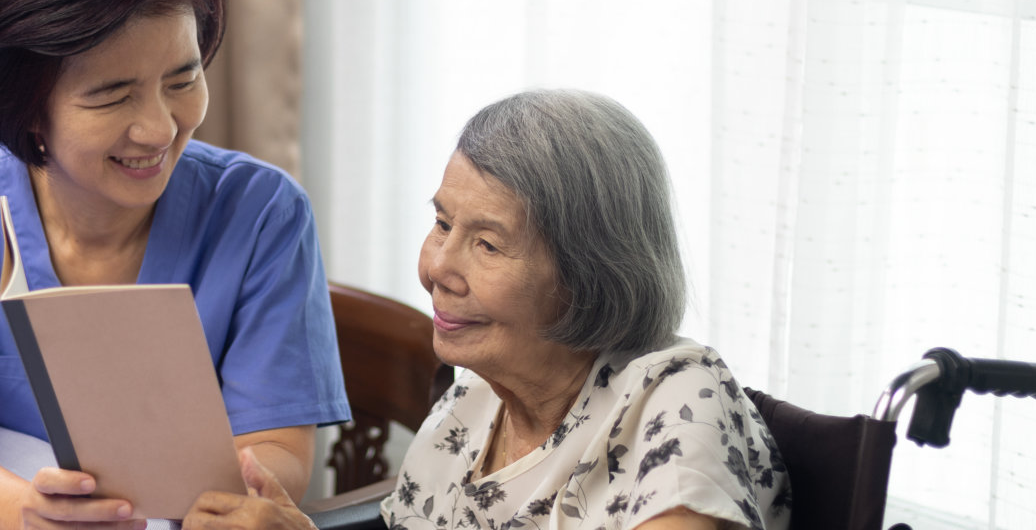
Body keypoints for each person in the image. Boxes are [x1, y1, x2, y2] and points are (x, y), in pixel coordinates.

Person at [0, 0, 350, 529]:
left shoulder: (261, 215)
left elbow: (276, 448)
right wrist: (25, 517)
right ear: (28, 109)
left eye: (182, 80)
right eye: (113, 96)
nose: (157, 128)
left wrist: (241, 506)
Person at [186, 90, 791, 530]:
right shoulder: (469, 406)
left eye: (487, 244)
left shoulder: (676, 398)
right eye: (442, 223)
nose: (437, 269)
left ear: (588, 272)